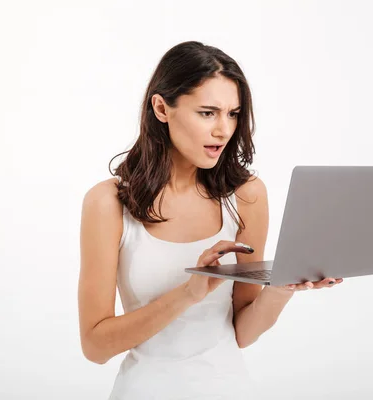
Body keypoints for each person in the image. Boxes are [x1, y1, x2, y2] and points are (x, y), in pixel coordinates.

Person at [78, 41, 343, 400]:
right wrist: (189, 292)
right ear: (161, 108)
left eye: (233, 113)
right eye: (208, 113)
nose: (224, 129)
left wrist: (281, 288)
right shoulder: (108, 202)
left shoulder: (246, 195)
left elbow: (242, 333)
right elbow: (95, 347)